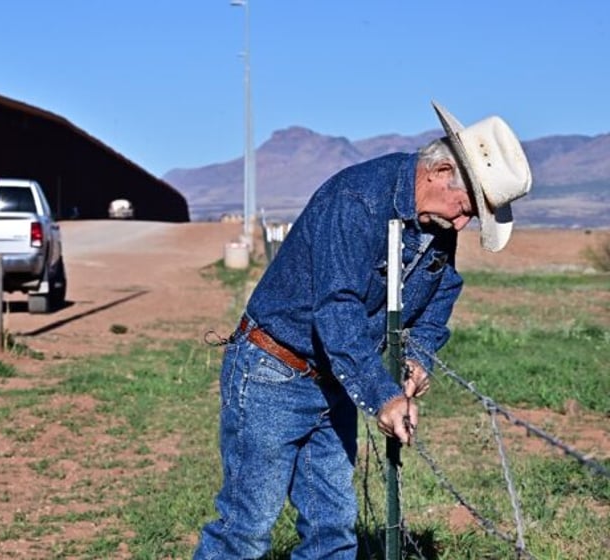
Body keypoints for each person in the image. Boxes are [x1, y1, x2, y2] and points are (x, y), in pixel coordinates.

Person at [193, 101, 532, 559]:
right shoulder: (356, 201)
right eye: (467, 207)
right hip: (272, 373)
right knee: (246, 530)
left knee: (333, 531)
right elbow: (337, 309)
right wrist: (385, 396)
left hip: (333, 382)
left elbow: (442, 290)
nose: (462, 222)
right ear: (440, 171)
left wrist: (419, 356)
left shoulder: (435, 221)